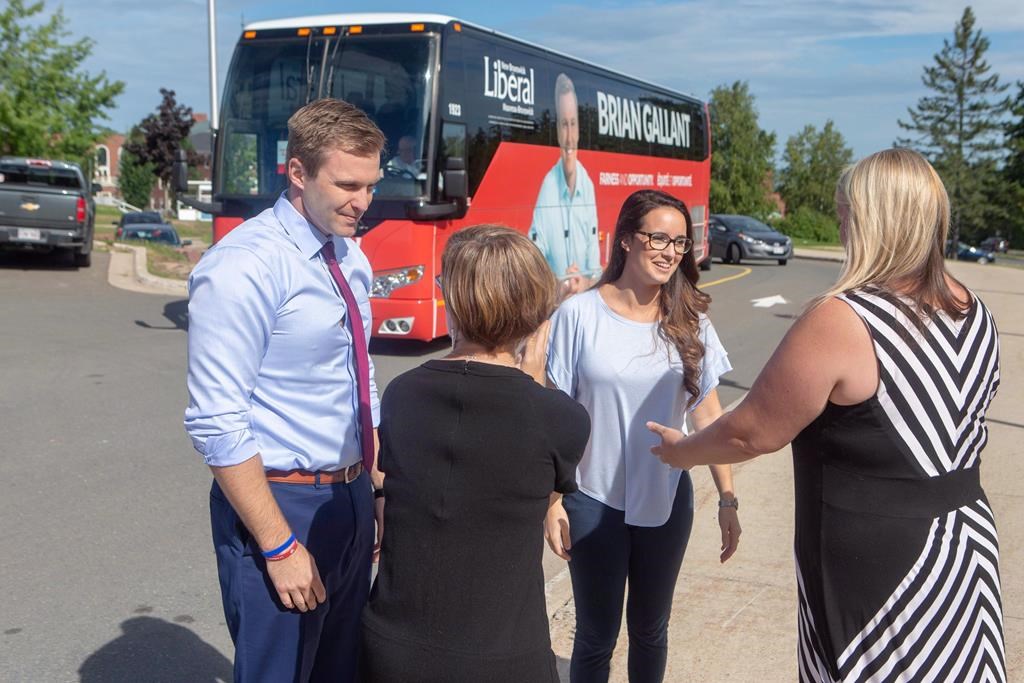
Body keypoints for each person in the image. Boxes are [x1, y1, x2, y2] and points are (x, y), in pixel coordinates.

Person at [649, 148, 1006, 682]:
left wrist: (681, 453)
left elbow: (751, 433)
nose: (840, 224)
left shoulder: (844, 318)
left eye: (846, 212)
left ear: (875, 220)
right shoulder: (971, 306)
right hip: (966, 543)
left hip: (886, 567)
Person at [184, 98, 386, 683]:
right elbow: (217, 420)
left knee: (339, 670)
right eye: (347, 184)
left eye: (371, 184)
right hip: (279, 504)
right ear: (297, 172)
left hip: (347, 498)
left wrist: (371, 482)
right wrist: (277, 546)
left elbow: (358, 375)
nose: (363, 202)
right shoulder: (243, 266)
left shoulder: (349, 253)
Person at [361, 225, 591, 682]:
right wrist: (536, 375)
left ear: (457, 304)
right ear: (533, 310)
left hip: (393, 646)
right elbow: (537, 483)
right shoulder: (560, 417)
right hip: (503, 656)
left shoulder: (402, 395)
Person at [545, 189, 741, 683]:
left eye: (680, 242)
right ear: (627, 240)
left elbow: (710, 417)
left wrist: (728, 499)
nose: (670, 250)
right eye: (658, 237)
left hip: (667, 499)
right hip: (592, 500)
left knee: (651, 630)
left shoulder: (691, 323)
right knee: (595, 634)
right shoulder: (579, 315)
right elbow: (556, 418)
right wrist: (551, 502)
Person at [529, 72, 601, 293]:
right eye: (563, 125)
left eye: (573, 124)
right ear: (557, 131)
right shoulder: (548, 187)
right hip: (555, 303)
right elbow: (533, 255)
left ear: (579, 129)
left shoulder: (587, 184)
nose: (569, 137)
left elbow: (594, 261)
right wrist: (556, 284)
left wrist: (585, 283)